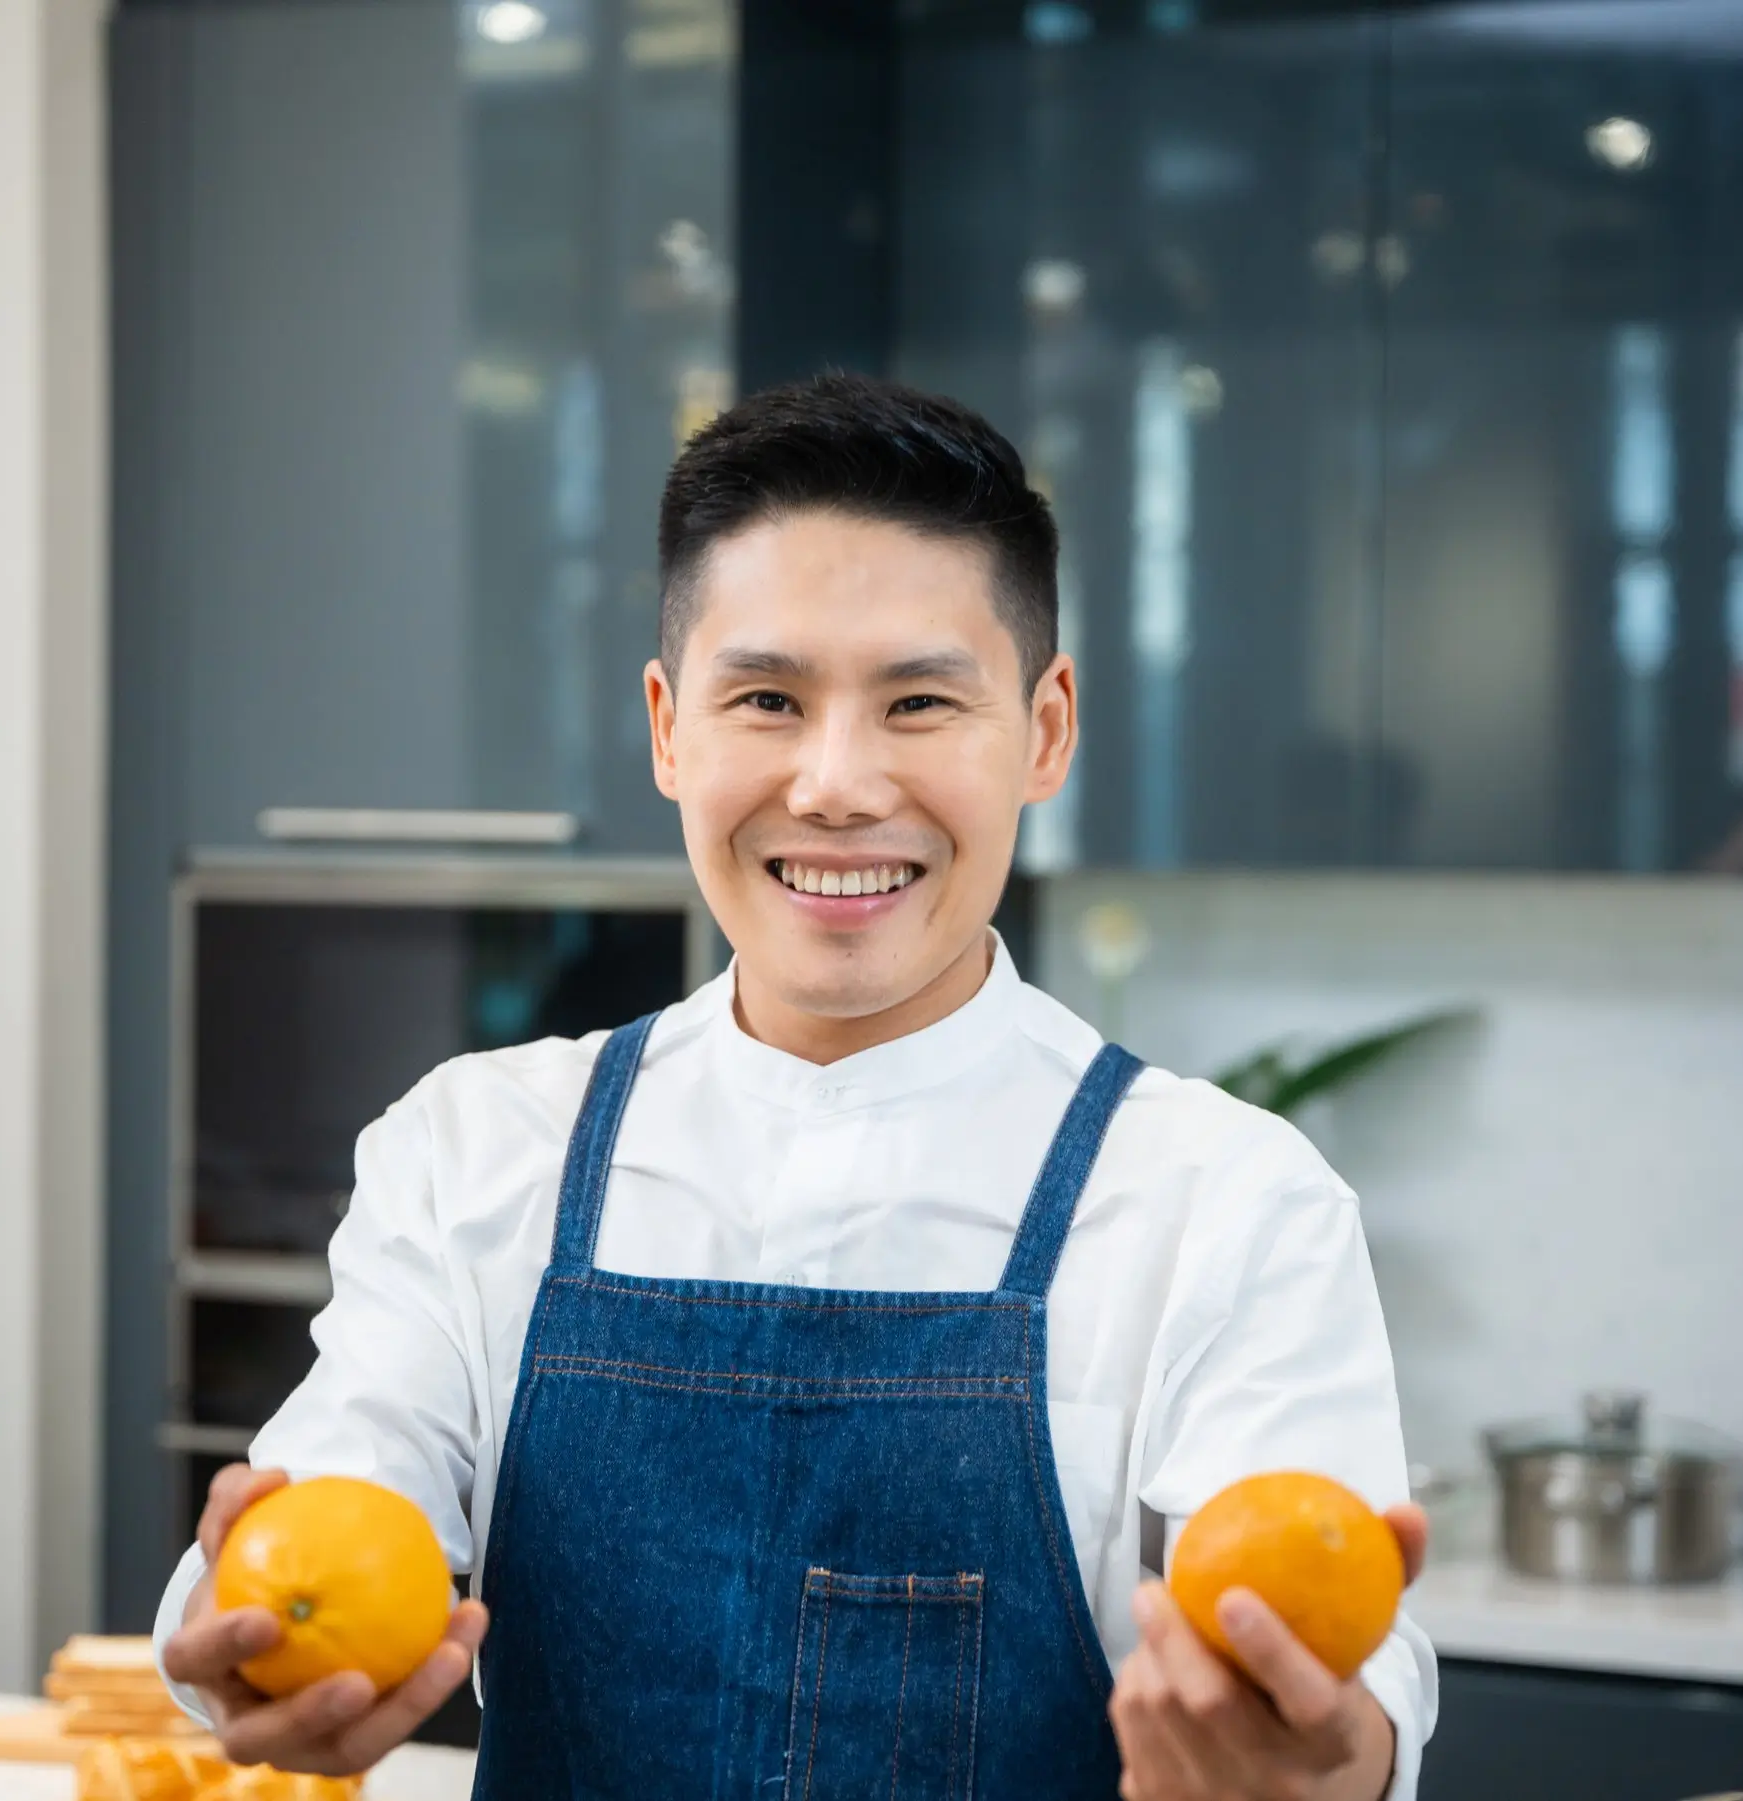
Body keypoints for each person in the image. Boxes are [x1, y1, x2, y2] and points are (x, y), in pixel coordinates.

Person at [158, 374, 1439, 1798]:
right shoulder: (475, 1152)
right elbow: (335, 1502)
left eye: (920, 703)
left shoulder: (1225, 1200)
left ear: (1047, 729)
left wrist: (1323, 1757)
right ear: (667, 729)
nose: (836, 784)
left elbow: (1347, 1675)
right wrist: (232, 1642)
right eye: (767, 698)